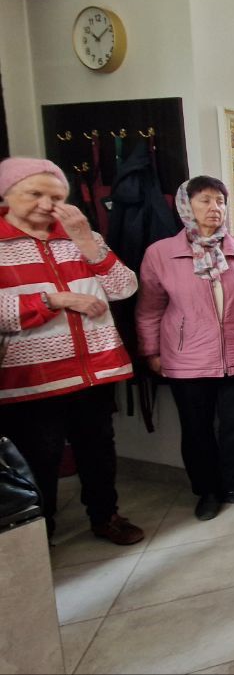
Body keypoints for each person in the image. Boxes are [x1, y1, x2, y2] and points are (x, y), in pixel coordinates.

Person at [0, 157, 144, 545]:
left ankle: (105, 517)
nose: (47, 204)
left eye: (56, 196)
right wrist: (53, 300)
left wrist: (86, 243)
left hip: (95, 369)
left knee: (99, 451)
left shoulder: (82, 237)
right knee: (38, 458)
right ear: (7, 194)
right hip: (33, 376)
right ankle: (36, 533)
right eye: (35, 194)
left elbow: (124, 288)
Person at [136, 176, 234, 521]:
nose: (215, 208)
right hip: (186, 358)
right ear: (186, 206)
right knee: (197, 429)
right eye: (205, 200)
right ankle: (207, 491)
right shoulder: (161, 253)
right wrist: (151, 352)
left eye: (220, 201)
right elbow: (149, 309)